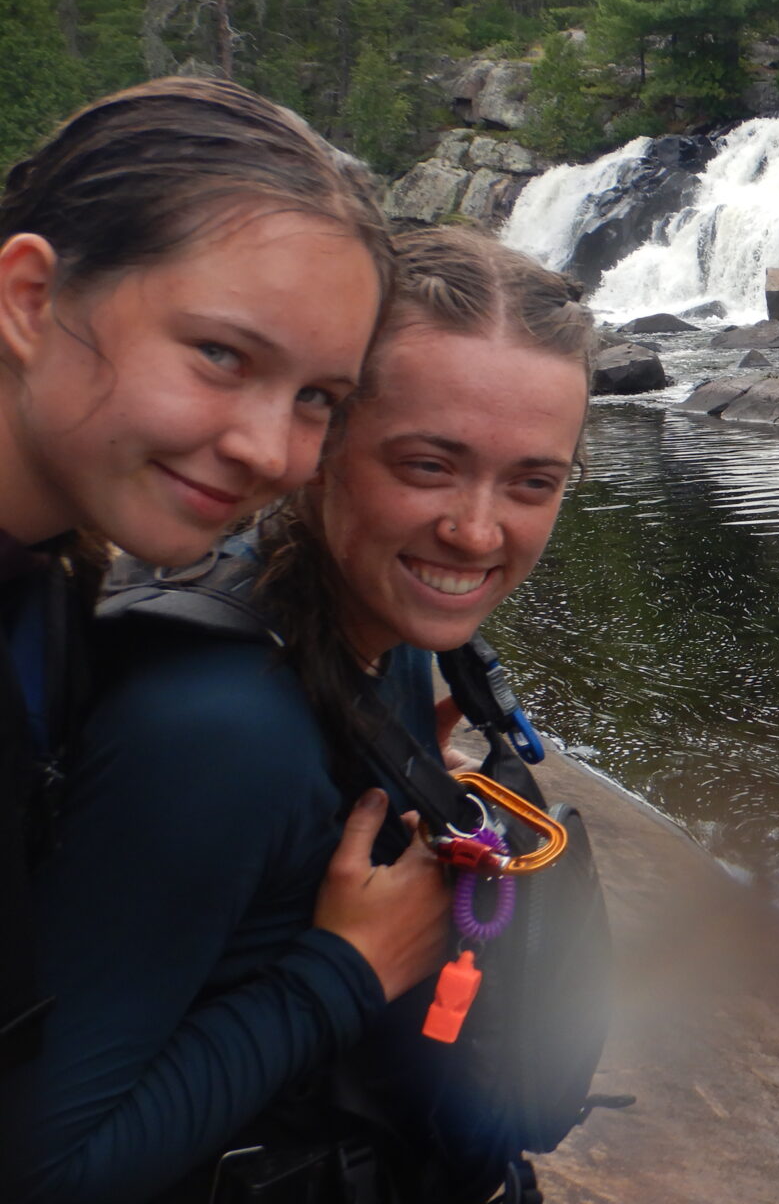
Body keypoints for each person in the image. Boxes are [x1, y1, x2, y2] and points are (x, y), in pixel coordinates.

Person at [21, 226, 597, 1201]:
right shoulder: (217, 733)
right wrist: (347, 970)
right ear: (321, 446)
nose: (479, 528)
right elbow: (37, 1171)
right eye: (428, 464)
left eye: (532, 481)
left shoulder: (391, 631)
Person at [0, 83, 450, 1196]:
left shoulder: (50, 571)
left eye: (316, 400)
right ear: (28, 296)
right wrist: (340, 973)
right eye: (218, 354)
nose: (268, 450)